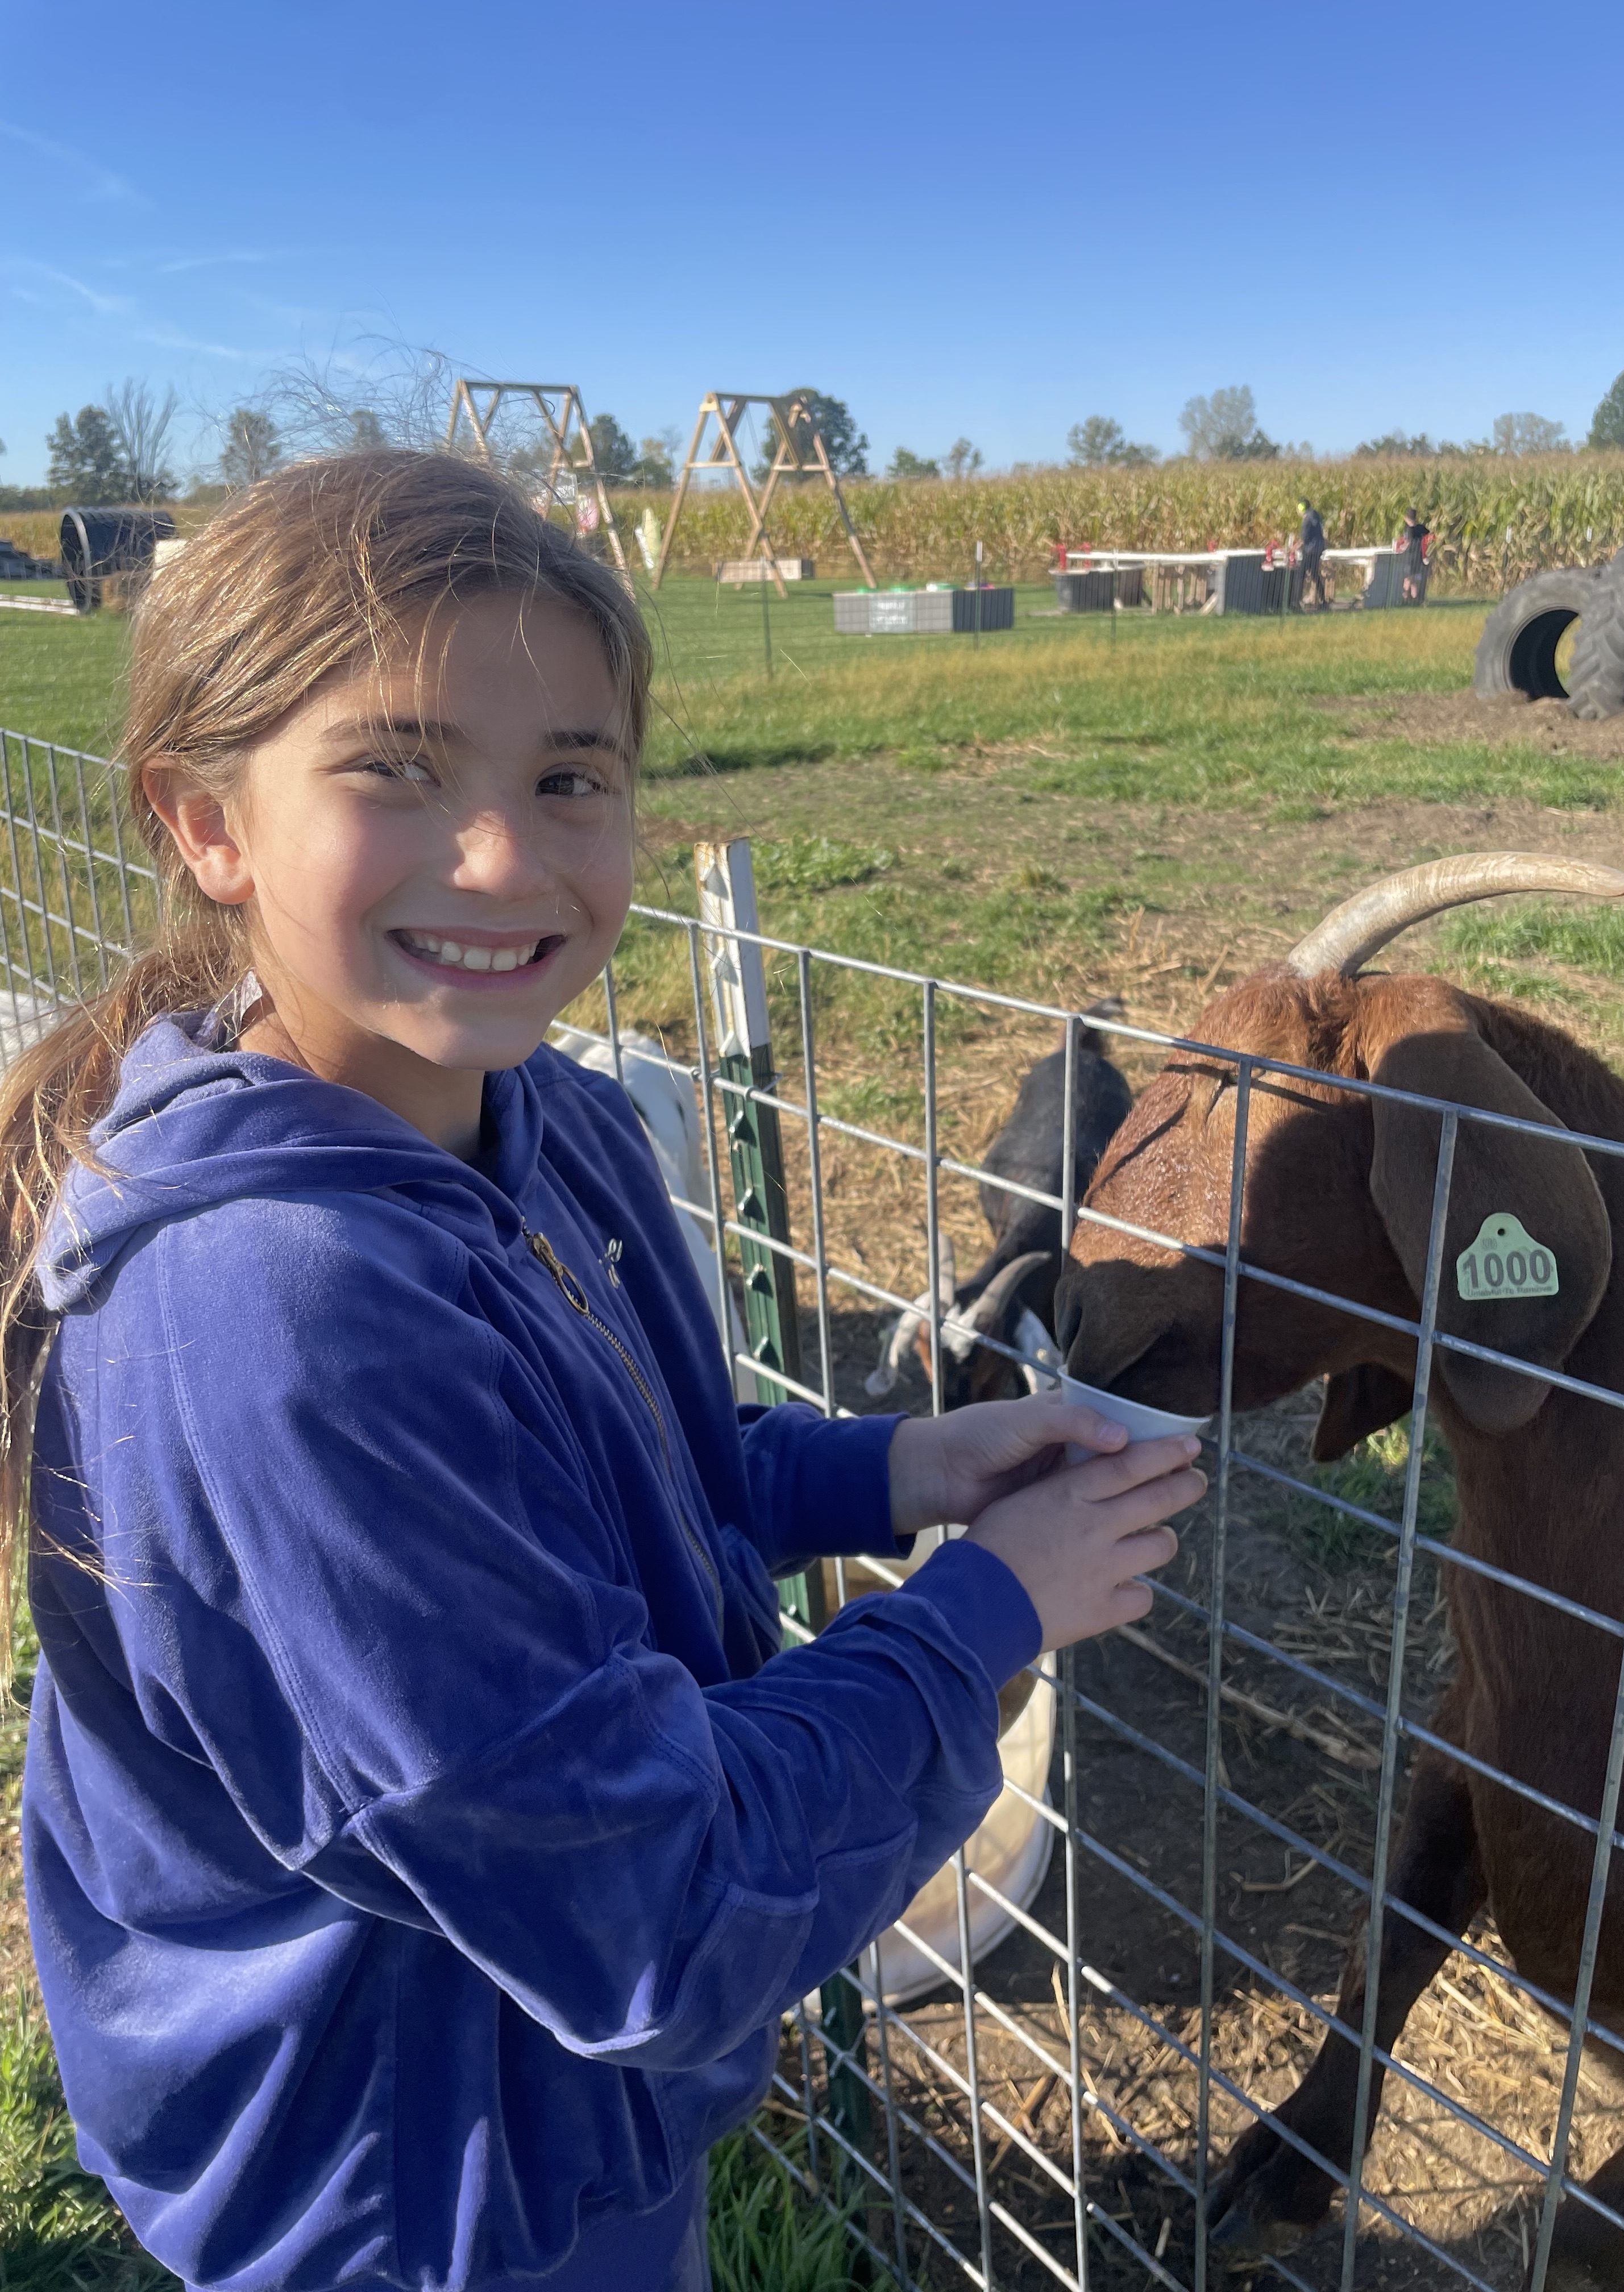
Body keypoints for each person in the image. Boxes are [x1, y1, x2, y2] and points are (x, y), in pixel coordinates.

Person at [6, 451, 1205, 2292]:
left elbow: (641, 1462)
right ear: (206, 822)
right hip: (415, 2192)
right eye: (395, 769)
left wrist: (895, 1473)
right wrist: (987, 1615)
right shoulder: (279, 1321)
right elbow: (655, 1905)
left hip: (536, 2109)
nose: (501, 855)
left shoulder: (542, 1122)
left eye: (569, 777)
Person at [1296, 498, 1328, 610]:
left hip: (1310, 551)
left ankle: (1297, 601)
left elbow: (1304, 538)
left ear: (1301, 508)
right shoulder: (1316, 516)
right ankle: (1323, 600)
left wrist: (1295, 548)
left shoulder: (1307, 520)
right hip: (1319, 549)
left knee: (1301, 575)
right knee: (1315, 574)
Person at [1398, 504, 1431, 603]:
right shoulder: (1421, 528)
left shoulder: (1409, 530)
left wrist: (1401, 548)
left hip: (1411, 556)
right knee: (1414, 579)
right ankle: (1415, 598)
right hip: (1419, 556)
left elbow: (1408, 543)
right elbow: (1428, 535)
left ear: (1407, 518)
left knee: (1408, 578)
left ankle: (1405, 598)